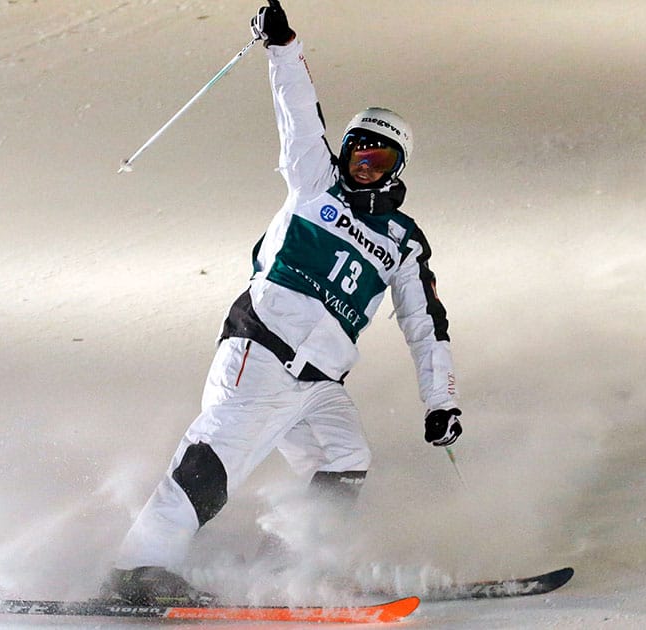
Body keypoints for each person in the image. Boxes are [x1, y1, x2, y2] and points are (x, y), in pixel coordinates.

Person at [102, 0, 463, 605]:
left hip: (319, 382)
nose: (363, 166)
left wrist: (440, 400)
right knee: (217, 456)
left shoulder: (402, 242)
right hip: (263, 352)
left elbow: (425, 323)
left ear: (397, 171)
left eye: (379, 160)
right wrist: (282, 46)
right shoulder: (312, 181)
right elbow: (297, 111)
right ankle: (137, 567)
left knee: (345, 457)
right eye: (356, 152)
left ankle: (291, 566)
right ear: (342, 152)